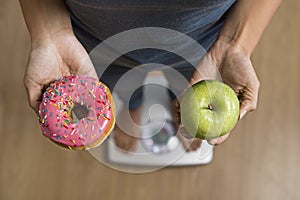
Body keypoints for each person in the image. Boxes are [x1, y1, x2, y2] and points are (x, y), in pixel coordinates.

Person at [19, 0, 282, 152]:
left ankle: (178, 114)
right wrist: (50, 33)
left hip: (205, 43)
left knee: (188, 91)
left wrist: (235, 43)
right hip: (88, 42)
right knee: (115, 84)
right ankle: (134, 108)